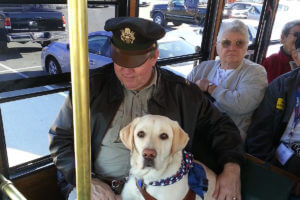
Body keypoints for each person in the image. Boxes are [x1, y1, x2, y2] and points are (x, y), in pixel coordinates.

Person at [49, 17, 244, 200]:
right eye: (119, 60)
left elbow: (222, 126)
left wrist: (232, 168)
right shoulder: (89, 87)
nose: (126, 70)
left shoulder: (183, 93)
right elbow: (60, 138)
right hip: (99, 187)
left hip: (158, 190)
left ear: (154, 57)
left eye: (135, 63)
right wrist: (86, 180)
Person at [187, 19, 268, 142]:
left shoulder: (256, 72)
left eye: (239, 43)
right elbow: (183, 95)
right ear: (217, 45)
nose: (232, 48)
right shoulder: (203, 67)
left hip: (228, 139)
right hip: (193, 131)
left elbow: (241, 105)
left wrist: (209, 87)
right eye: (226, 43)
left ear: (246, 47)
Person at [246, 35, 300, 178]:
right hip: (279, 159)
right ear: (296, 57)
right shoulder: (281, 86)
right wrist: (273, 171)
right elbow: (259, 133)